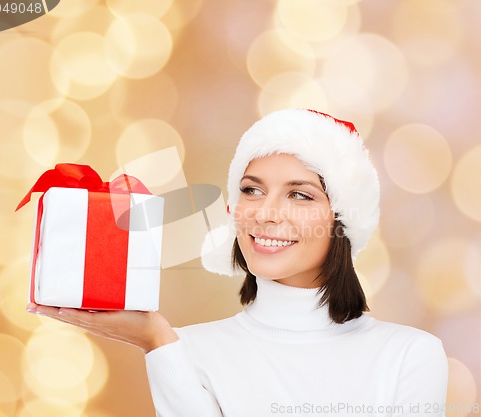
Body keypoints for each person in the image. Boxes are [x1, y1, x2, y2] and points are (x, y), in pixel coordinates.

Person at [27, 109, 448, 417]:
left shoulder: (408, 356)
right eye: (251, 190)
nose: (266, 213)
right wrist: (157, 343)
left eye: (299, 194)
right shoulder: (183, 351)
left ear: (342, 222)